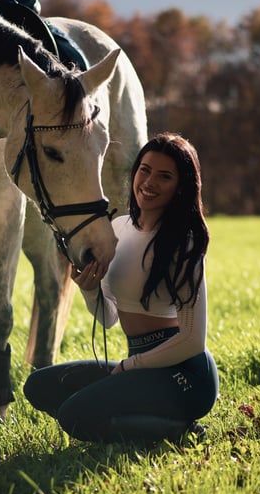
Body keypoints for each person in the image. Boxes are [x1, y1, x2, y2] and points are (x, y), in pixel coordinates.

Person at [23, 133, 219, 443]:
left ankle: (179, 430)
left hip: (184, 377)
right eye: (145, 170)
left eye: (164, 176)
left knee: (73, 416)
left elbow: (192, 342)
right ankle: (142, 420)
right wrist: (89, 290)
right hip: (139, 366)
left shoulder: (184, 243)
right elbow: (110, 318)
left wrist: (130, 366)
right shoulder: (117, 229)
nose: (149, 182)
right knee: (39, 386)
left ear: (180, 186)